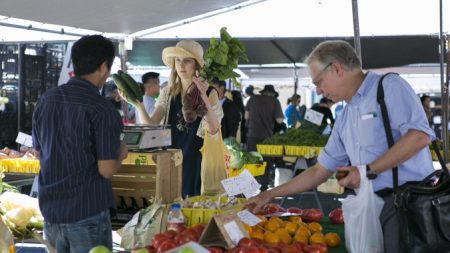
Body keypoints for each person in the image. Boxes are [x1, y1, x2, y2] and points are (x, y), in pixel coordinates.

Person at [246, 40, 435, 253]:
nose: (318, 91)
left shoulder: (389, 86)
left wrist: (366, 171)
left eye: (319, 81)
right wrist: (268, 195)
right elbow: (319, 170)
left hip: (407, 206)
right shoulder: (346, 115)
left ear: (336, 68)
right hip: (371, 208)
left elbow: (419, 136)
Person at [32, 35, 128, 253]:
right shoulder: (103, 109)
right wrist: (121, 154)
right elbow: (106, 170)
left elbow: (39, 153)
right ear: (104, 67)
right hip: (87, 213)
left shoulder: (46, 100)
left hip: (51, 213)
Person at [124, 40, 222, 197]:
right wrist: (139, 105)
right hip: (171, 159)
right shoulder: (168, 92)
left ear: (196, 65)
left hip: (197, 160)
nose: (181, 65)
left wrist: (203, 98)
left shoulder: (209, 92)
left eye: (187, 61)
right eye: (178, 60)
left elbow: (213, 129)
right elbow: (152, 124)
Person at [245, 84, 284, 191]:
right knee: (266, 163)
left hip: (252, 135)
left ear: (263, 92)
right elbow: (279, 120)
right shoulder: (275, 101)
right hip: (267, 139)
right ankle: (263, 187)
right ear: (272, 94)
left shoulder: (252, 99)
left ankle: (247, 188)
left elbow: (246, 116)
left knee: (251, 162)